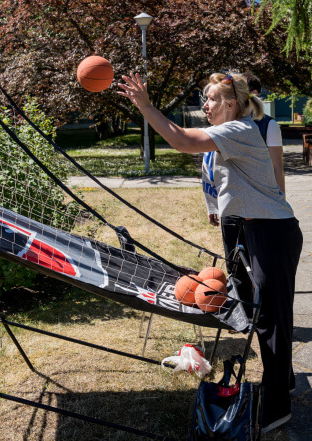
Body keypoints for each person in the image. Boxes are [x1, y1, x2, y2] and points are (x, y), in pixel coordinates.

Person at [118, 71, 302, 433]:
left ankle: (277, 408)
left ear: (232, 103)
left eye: (213, 98)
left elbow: (181, 140)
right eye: (206, 98)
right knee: (265, 315)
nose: (206, 105)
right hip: (254, 229)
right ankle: (286, 380)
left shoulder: (239, 129)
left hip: (273, 233)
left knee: (272, 322)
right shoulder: (234, 131)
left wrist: (145, 105)